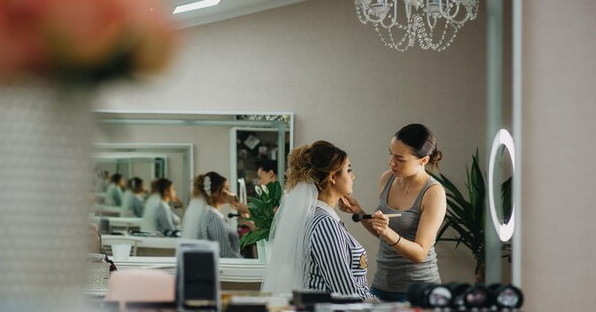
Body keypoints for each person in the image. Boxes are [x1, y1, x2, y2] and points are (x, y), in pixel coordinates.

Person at [339, 123, 447, 302]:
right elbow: (381, 232)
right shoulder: (387, 178)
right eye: (391, 154)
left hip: (418, 290)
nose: (391, 163)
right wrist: (359, 210)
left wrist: (388, 232)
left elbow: (420, 253)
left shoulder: (434, 192)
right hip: (381, 285)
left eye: (400, 159)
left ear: (424, 160)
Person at [263, 141, 373, 299]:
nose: (352, 176)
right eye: (348, 170)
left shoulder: (315, 216)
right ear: (333, 176)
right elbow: (347, 292)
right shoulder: (324, 223)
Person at [191, 172, 243, 258]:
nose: (229, 192)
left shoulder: (212, 215)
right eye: (227, 189)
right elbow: (226, 254)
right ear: (216, 192)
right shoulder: (214, 219)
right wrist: (246, 262)